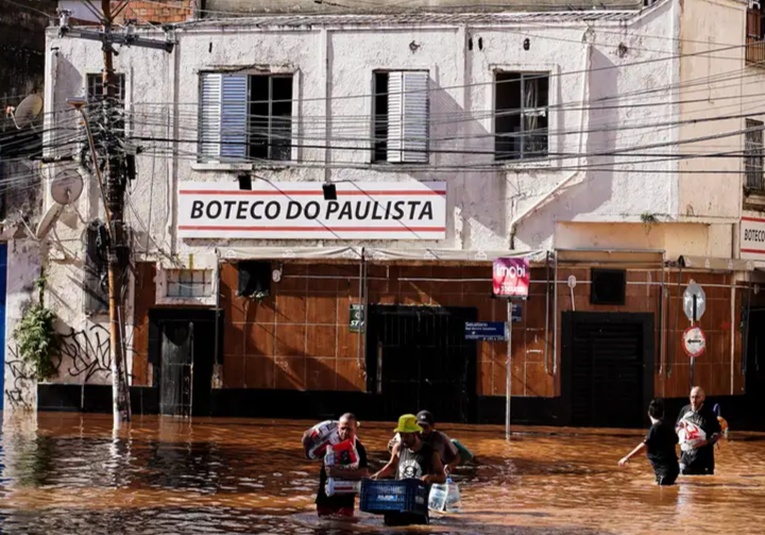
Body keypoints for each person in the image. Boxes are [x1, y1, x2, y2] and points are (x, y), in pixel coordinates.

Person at [371, 414, 446, 526]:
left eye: (407, 436)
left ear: (415, 434)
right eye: (401, 435)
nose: (404, 439)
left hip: (418, 507)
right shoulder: (398, 448)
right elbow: (392, 466)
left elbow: (442, 477)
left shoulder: (430, 452)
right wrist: (378, 475)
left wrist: (430, 477)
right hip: (396, 504)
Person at [313, 413, 369, 518]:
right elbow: (309, 450)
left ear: (355, 428)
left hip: (346, 502)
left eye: (349, 429)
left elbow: (364, 474)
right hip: (325, 500)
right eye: (342, 428)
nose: (345, 432)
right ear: (338, 426)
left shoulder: (359, 448)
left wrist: (338, 473)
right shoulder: (327, 443)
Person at [618, 398, 680, 485]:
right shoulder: (667, 426)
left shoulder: (655, 428)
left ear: (649, 413)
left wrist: (627, 457)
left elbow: (645, 445)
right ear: (663, 413)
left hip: (664, 471)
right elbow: (676, 440)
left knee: (663, 496)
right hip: (673, 469)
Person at [387, 410, 462, 475]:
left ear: (432, 427)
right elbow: (393, 450)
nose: (422, 431)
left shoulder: (440, 438)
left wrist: (450, 465)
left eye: (425, 427)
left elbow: (457, 456)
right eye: (420, 426)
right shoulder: (407, 434)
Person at [676, 386, 722, 475]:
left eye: (697, 397)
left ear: (703, 398)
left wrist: (706, 442)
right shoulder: (684, 410)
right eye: (692, 397)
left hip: (704, 462)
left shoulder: (709, 414)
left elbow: (718, 433)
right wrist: (679, 429)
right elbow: (676, 425)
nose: (694, 400)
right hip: (685, 460)